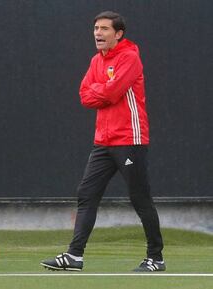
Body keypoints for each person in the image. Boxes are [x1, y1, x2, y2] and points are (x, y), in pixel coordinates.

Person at [40, 11, 165, 272]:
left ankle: (156, 258)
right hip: (103, 141)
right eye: (96, 28)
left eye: (105, 29)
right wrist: (102, 91)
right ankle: (75, 256)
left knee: (140, 198)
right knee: (86, 193)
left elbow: (112, 92)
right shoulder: (97, 61)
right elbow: (85, 95)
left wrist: (102, 91)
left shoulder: (130, 57)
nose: (98, 33)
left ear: (118, 34)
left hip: (130, 138)